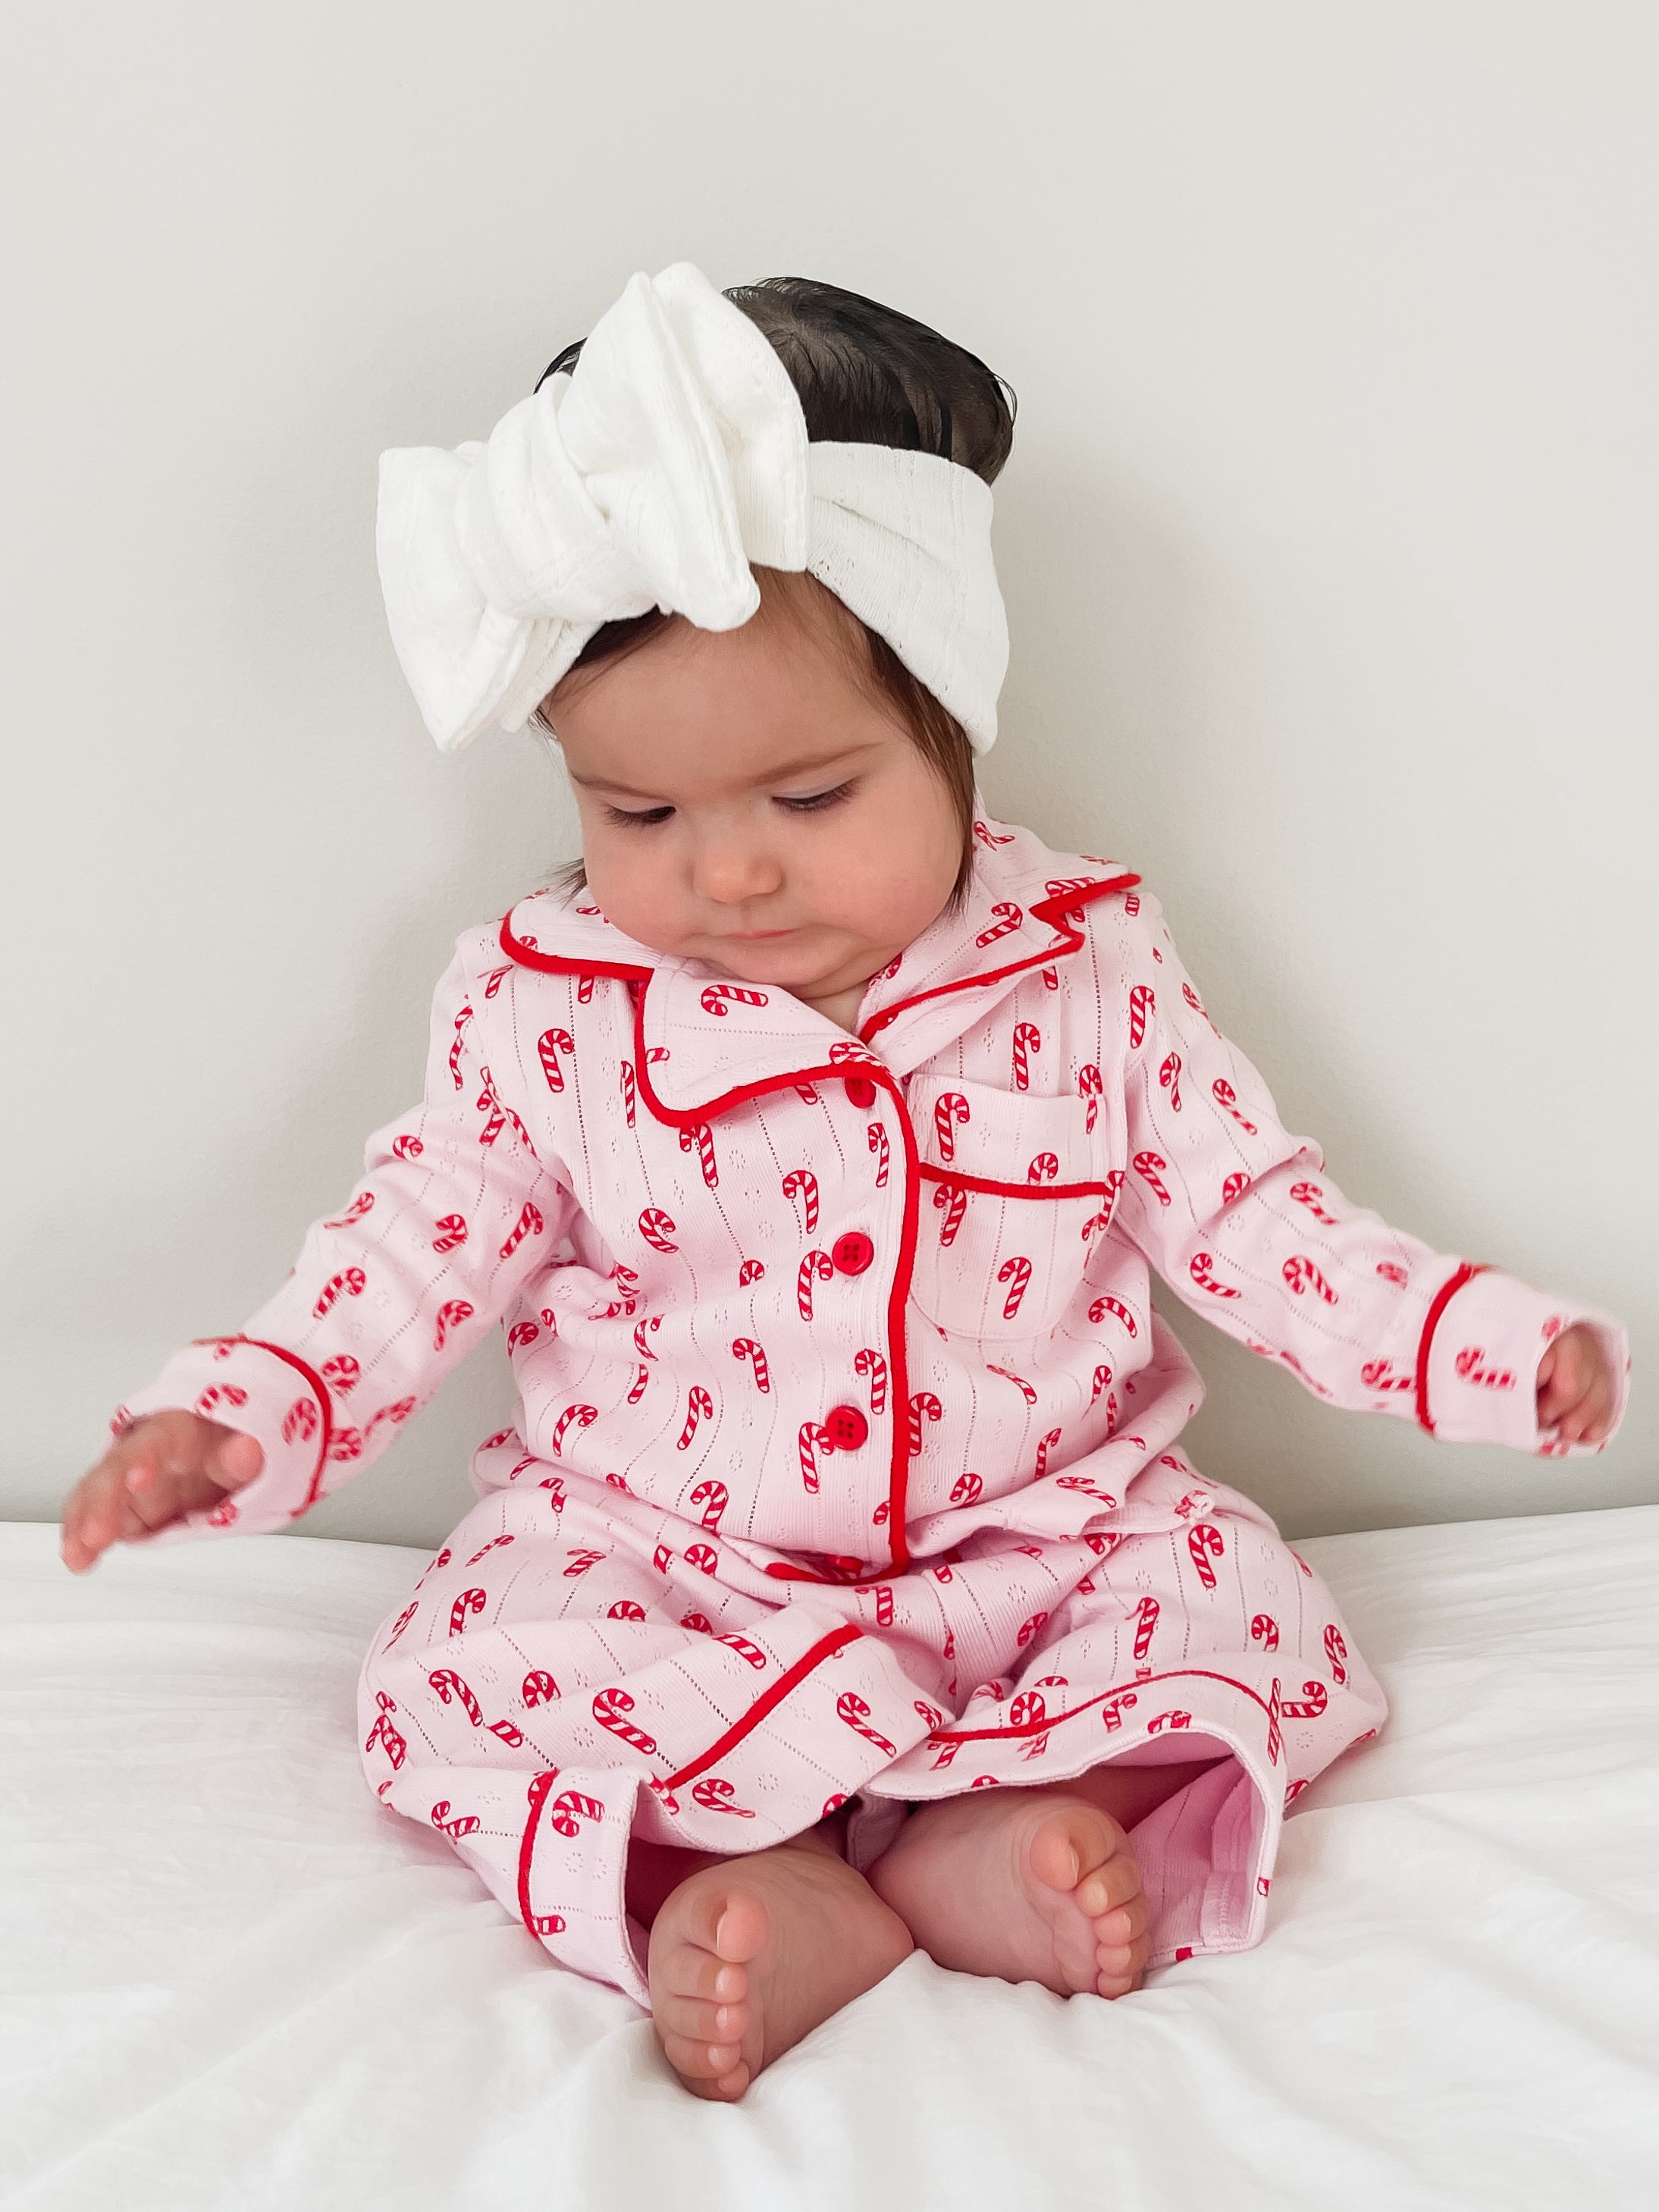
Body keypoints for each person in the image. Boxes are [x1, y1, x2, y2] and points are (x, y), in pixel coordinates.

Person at [59, 265, 1629, 2102]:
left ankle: (1007, 1824)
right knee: (462, 1663)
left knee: (1243, 1603)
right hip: (666, 1557)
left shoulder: (1085, 958)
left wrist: (1478, 1346)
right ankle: (754, 1868)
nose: (723, 874)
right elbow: (411, 1245)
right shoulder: (541, 1008)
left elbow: (1254, 1216)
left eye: (806, 797)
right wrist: (240, 1418)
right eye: (638, 816)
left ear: (951, 734)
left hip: (1038, 1542)